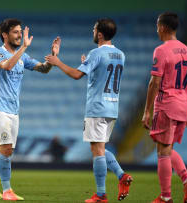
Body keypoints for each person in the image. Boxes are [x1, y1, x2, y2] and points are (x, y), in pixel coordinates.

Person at [45, 18, 132, 203]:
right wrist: (90, 66)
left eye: (94, 29)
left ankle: (101, 194)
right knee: (99, 147)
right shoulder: (120, 54)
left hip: (97, 107)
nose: (92, 32)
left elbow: (77, 75)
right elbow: (103, 75)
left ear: (100, 34)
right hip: (112, 107)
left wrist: (57, 62)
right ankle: (121, 176)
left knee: (97, 150)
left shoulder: (96, 53)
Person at [0, 18, 60, 201]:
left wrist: (52, 58)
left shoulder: (22, 56)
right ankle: (7, 191)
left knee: (7, 151)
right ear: (5, 35)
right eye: (16, 32)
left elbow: (43, 69)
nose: (20, 35)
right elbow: (8, 65)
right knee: (5, 148)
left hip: (13, 110)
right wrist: (24, 47)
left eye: (21, 32)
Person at [141, 12, 187, 203]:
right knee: (168, 147)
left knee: (163, 152)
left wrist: (147, 111)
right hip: (182, 105)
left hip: (166, 104)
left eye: (157, 26)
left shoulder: (161, 50)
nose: (157, 30)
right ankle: (186, 180)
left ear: (163, 27)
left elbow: (154, 83)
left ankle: (166, 197)